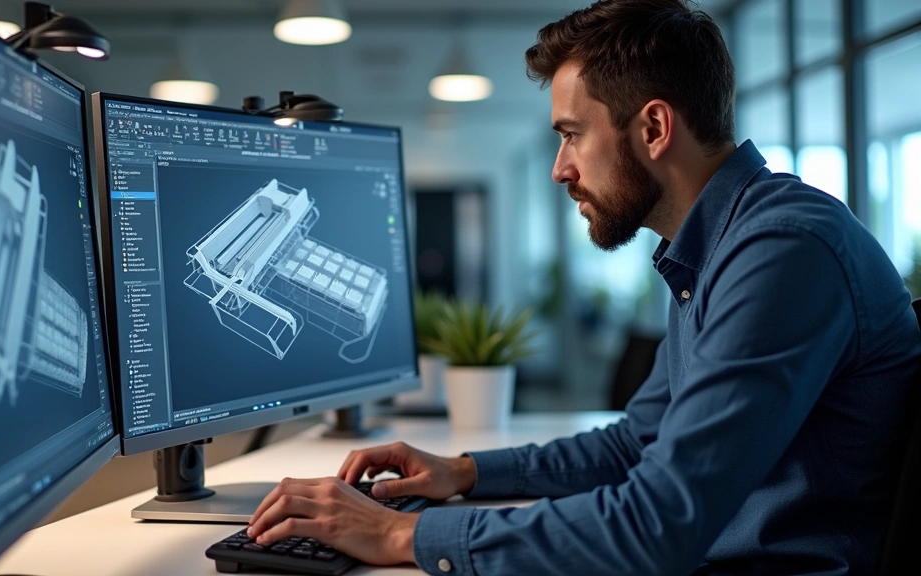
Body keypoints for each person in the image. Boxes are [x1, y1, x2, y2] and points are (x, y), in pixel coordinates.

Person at [245, 0, 921, 573]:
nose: (560, 170)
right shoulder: (714, 248)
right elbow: (636, 444)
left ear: (654, 128)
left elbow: (660, 523)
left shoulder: (782, 251)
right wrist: (463, 472)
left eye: (572, 135)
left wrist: (403, 536)